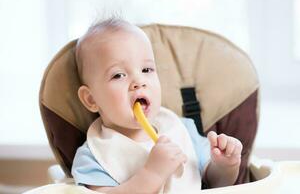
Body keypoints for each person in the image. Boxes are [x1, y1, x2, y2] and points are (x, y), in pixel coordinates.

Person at [71, 17, 243, 194]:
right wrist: (152, 174)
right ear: (91, 99)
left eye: (146, 70)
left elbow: (215, 184)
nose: (139, 81)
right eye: (118, 75)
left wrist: (225, 166)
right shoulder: (93, 155)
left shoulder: (181, 129)